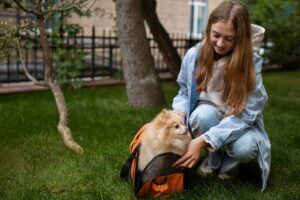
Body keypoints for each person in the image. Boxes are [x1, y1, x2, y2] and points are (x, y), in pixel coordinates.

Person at [172, 0, 271, 191]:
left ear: (239, 38)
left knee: (246, 148)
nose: (220, 43)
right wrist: (179, 113)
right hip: (208, 115)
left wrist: (201, 141)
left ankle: (229, 167)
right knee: (202, 116)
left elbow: (249, 112)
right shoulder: (194, 55)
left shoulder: (249, 64)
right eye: (215, 35)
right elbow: (184, 91)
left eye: (229, 38)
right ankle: (213, 161)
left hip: (237, 119)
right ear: (208, 29)